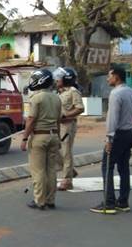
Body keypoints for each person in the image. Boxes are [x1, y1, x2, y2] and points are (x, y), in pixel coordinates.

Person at [91, 67, 132, 214]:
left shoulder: (116, 93)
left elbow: (112, 117)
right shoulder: (130, 91)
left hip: (118, 135)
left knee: (107, 167)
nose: (107, 79)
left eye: (109, 76)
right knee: (124, 168)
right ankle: (123, 201)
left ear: (116, 77)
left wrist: (109, 138)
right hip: (129, 133)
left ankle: (109, 202)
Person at [20, 68, 62, 210]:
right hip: (54, 136)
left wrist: (25, 138)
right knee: (51, 170)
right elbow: (58, 121)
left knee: (38, 171)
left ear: (40, 81)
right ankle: (51, 200)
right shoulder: (57, 98)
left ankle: (39, 201)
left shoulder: (36, 98)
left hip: (39, 137)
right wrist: (59, 138)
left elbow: (31, 120)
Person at [53, 67, 84, 191]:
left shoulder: (73, 91)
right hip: (56, 125)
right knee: (55, 149)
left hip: (67, 125)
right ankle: (70, 170)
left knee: (65, 152)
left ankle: (67, 180)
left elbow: (80, 108)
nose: (56, 81)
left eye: (58, 79)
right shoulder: (58, 92)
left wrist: (66, 115)